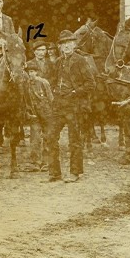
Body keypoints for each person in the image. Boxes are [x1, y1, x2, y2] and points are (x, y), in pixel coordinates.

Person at [44, 30, 96, 183]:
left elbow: (91, 84)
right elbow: (52, 81)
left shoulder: (80, 61)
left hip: (74, 106)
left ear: (74, 44)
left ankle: (75, 172)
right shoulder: (58, 62)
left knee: (74, 139)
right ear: (59, 47)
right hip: (58, 105)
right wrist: (53, 92)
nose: (66, 46)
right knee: (50, 136)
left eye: (69, 43)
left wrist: (75, 92)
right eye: (63, 43)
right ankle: (54, 173)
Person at [23, 59, 52, 172]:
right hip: (34, 115)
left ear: (37, 72)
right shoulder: (25, 85)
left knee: (47, 138)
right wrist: (28, 113)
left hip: (46, 114)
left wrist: (51, 113)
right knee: (35, 139)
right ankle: (35, 162)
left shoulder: (44, 82)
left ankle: (47, 162)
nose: (31, 74)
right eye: (29, 72)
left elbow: (50, 98)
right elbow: (24, 101)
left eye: (33, 71)